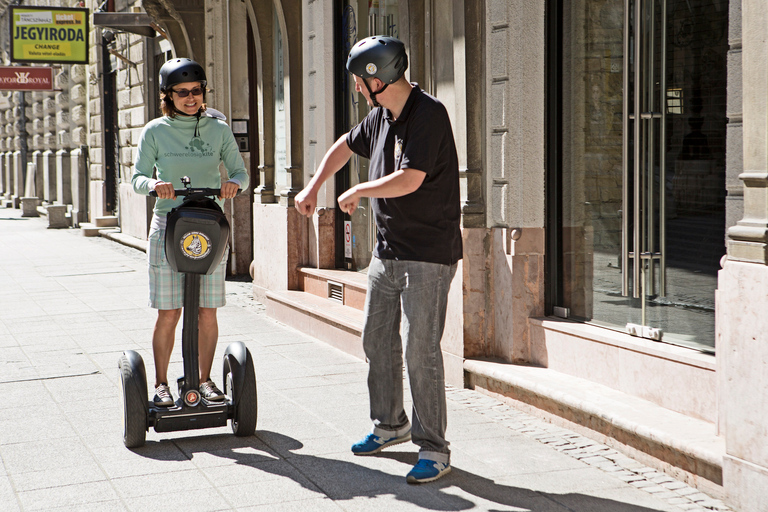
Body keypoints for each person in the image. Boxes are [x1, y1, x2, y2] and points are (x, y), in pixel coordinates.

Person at [295, 36, 462, 484]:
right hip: (387, 251)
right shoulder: (381, 116)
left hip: (428, 254)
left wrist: (358, 191)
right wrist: (314, 187)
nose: (354, 86)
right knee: (375, 340)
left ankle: (434, 448)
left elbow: (410, 180)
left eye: (357, 78)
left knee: (419, 349)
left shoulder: (429, 115)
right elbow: (344, 146)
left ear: (377, 77)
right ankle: (390, 424)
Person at [131, 58, 249, 407]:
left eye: (196, 91)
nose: (191, 97)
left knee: (207, 310)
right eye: (182, 92)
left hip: (208, 225)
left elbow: (240, 172)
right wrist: (154, 184)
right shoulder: (155, 131)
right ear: (168, 95)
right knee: (169, 311)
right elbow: (137, 177)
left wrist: (233, 185)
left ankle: (203, 379)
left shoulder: (218, 129)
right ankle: (161, 384)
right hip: (168, 224)